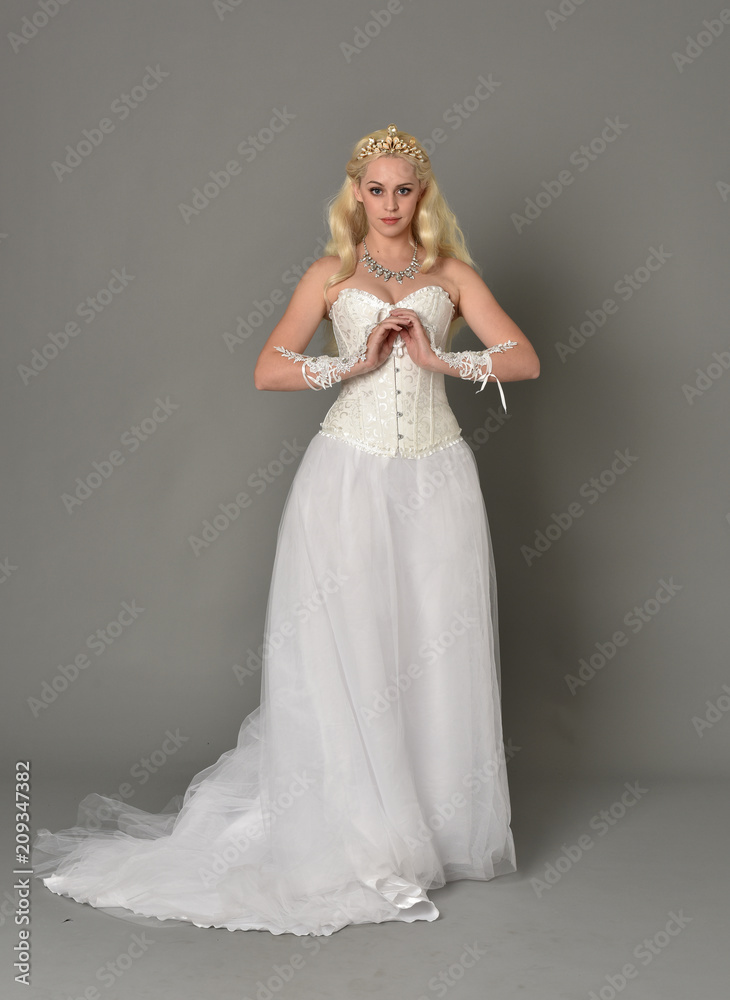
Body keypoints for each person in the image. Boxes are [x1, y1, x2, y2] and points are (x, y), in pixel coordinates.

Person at [32, 124, 539, 938]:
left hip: (439, 474)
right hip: (348, 477)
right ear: (355, 193)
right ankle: (362, 831)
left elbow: (525, 358)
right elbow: (269, 366)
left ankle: (432, 829)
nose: (389, 204)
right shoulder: (331, 276)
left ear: (423, 193)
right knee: (354, 646)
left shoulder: (452, 274)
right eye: (374, 189)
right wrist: (352, 363)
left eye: (403, 189)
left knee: (433, 643)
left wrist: (447, 364)